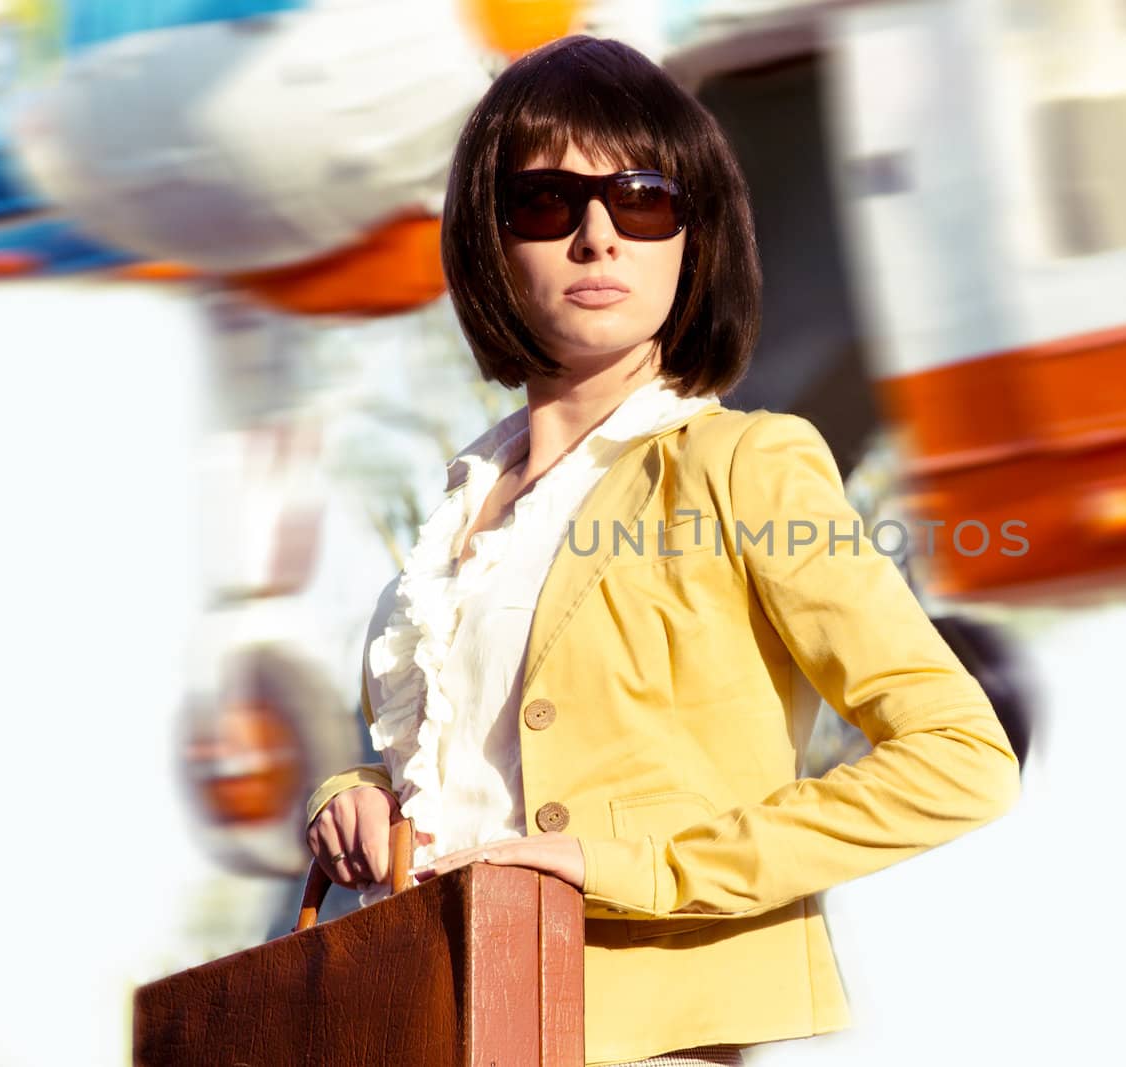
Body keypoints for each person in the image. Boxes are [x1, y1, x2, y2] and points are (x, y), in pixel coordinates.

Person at [302, 34, 1021, 1067]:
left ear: (694, 237)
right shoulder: (459, 513)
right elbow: (478, 775)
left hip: (641, 1038)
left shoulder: (748, 465)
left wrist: (630, 865)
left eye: (643, 200)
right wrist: (355, 797)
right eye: (545, 202)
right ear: (487, 242)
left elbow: (960, 759)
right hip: (427, 1024)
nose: (598, 236)